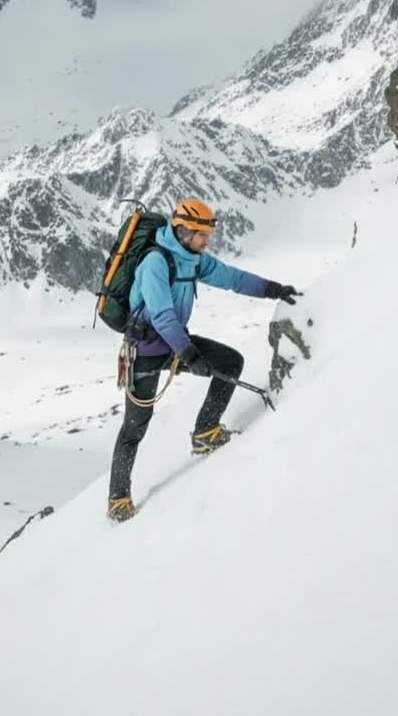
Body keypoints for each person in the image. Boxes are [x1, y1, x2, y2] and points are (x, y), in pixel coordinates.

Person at [107, 198, 301, 522]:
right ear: (183, 231)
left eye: (207, 234)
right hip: (144, 353)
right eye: (201, 234)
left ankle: (205, 433)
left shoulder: (193, 260)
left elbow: (233, 278)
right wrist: (188, 354)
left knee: (229, 362)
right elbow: (163, 316)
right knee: (135, 426)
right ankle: (118, 499)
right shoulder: (156, 263)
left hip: (174, 345)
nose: (206, 241)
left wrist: (274, 289)